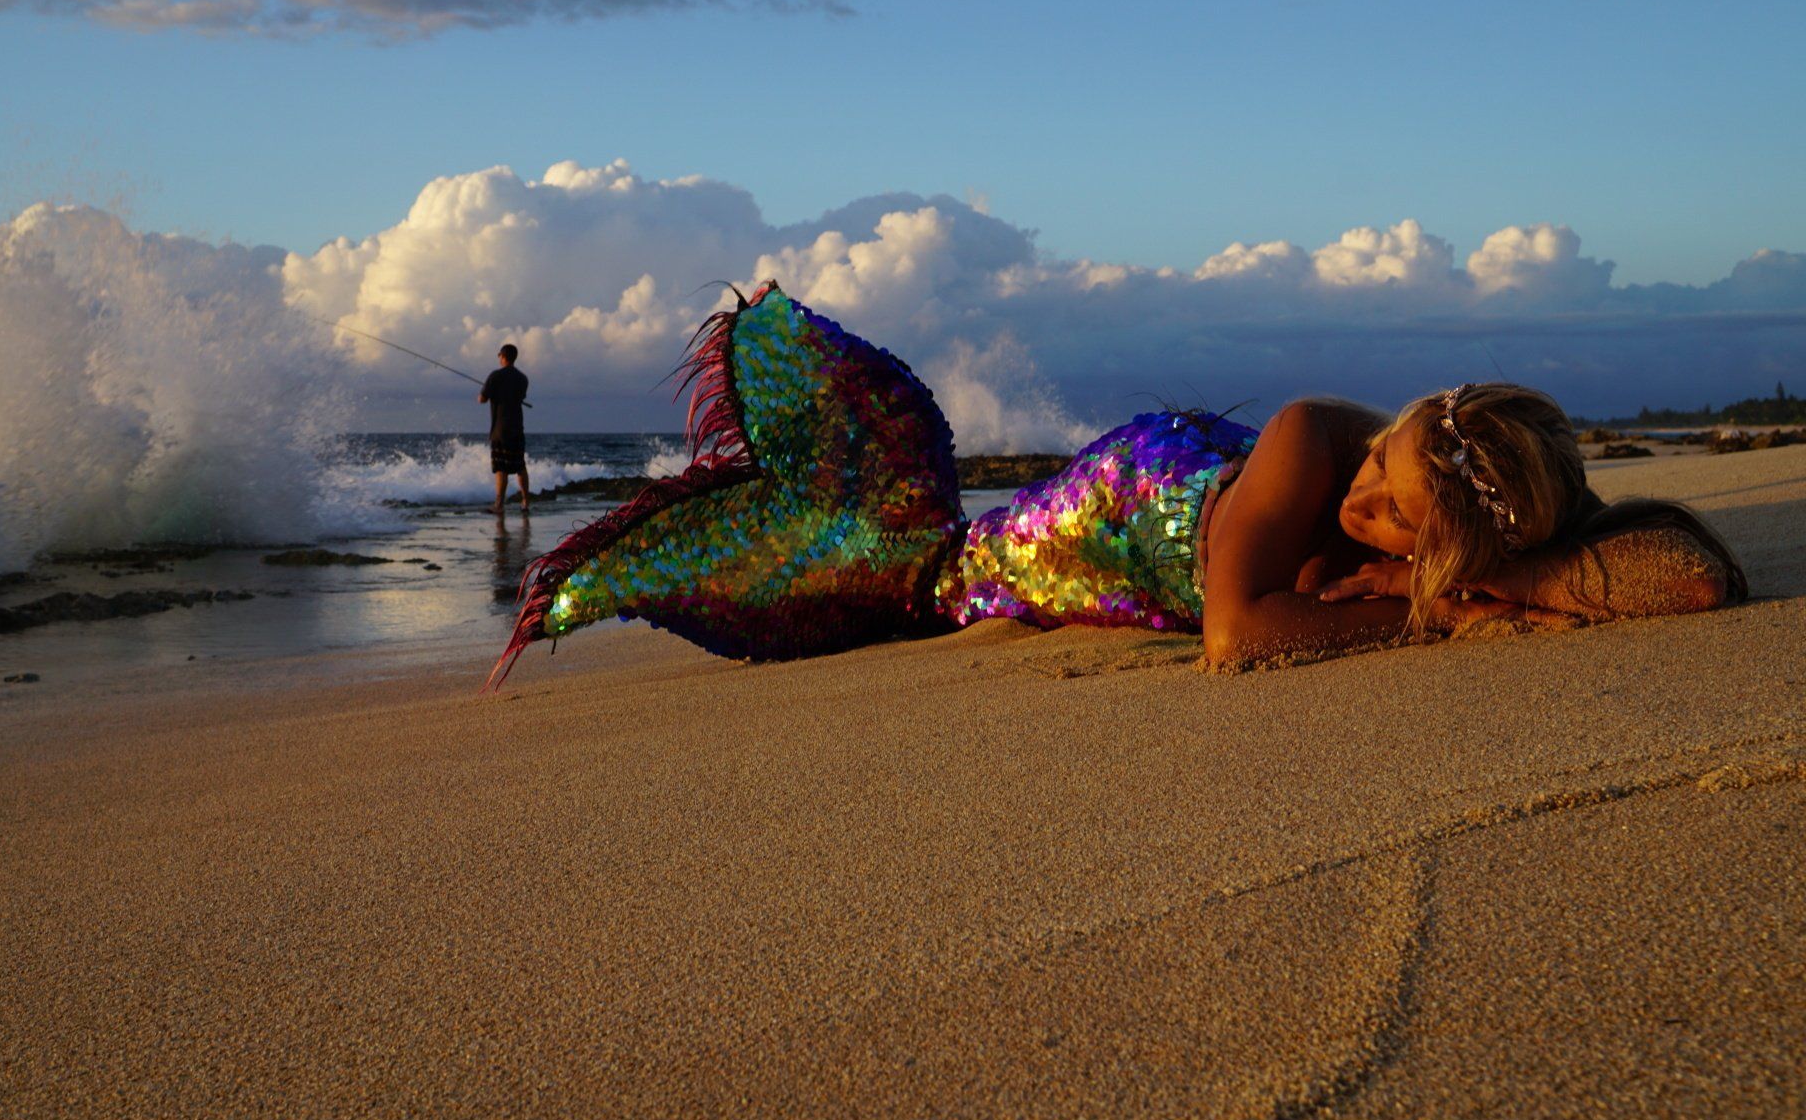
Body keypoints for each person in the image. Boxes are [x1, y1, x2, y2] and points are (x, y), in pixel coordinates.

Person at [488, 283, 1742, 684]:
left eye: (1393, 511)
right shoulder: (1316, 434)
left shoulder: (1470, 512)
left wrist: (1509, 574)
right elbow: (1240, 636)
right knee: (917, 576)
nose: (1361, 490)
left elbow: (1687, 578)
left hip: (1198, 491)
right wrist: (1434, 604)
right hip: (1097, 513)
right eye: (1380, 462)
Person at [479, 344, 531, 514]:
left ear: (502, 356)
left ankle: (499, 505)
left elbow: (482, 399)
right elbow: (520, 396)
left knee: (501, 469)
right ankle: (525, 502)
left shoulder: (495, 376)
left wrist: (485, 394)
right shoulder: (523, 378)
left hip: (499, 430)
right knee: (520, 466)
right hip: (517, 428)